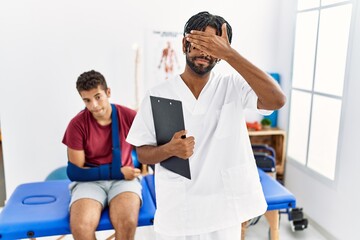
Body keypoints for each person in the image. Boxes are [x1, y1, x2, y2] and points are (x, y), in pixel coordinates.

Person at [126, 11, 286, 240]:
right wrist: (169, 149)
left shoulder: (233, 86)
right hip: (180, 210)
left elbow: (277, 99)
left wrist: (231, 55)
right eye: (199, 42)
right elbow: (142, 154)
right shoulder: (158, 95)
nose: (204, 52)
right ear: (184, 43)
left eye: (213, 46)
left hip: (224, 211)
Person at [62, 70, 142, 240]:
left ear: (108, 92)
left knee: (127, 223)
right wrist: (116, 172)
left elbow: (150, 146)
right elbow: (75, 172)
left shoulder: (129, 116)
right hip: (90, 182)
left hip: (123, 181)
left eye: (98, 97)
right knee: (81, 228)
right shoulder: (76, 125)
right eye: (87, 100)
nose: (94, 105)